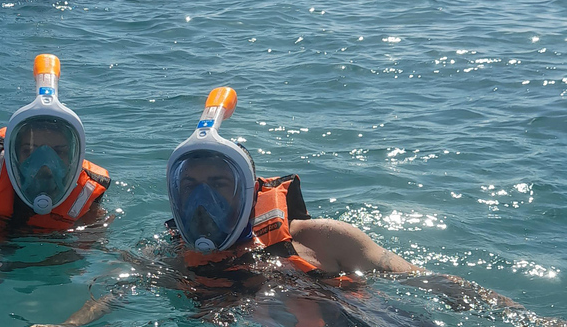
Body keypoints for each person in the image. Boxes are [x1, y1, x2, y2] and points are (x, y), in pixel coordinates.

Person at [43, 87, 535, 327]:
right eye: (189, 185)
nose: (203, 198)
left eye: (219, 183)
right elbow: (111, 297)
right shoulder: (169, 257)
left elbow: (428, 282)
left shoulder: (320, 238)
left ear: (250, 191)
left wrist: (521, 314)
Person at [0, 54, 110, 231]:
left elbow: (109, 252)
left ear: (74, 158)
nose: (45, 165)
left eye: (58, 152)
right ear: (13, 154)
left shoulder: (89, 212)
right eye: (30, 150)